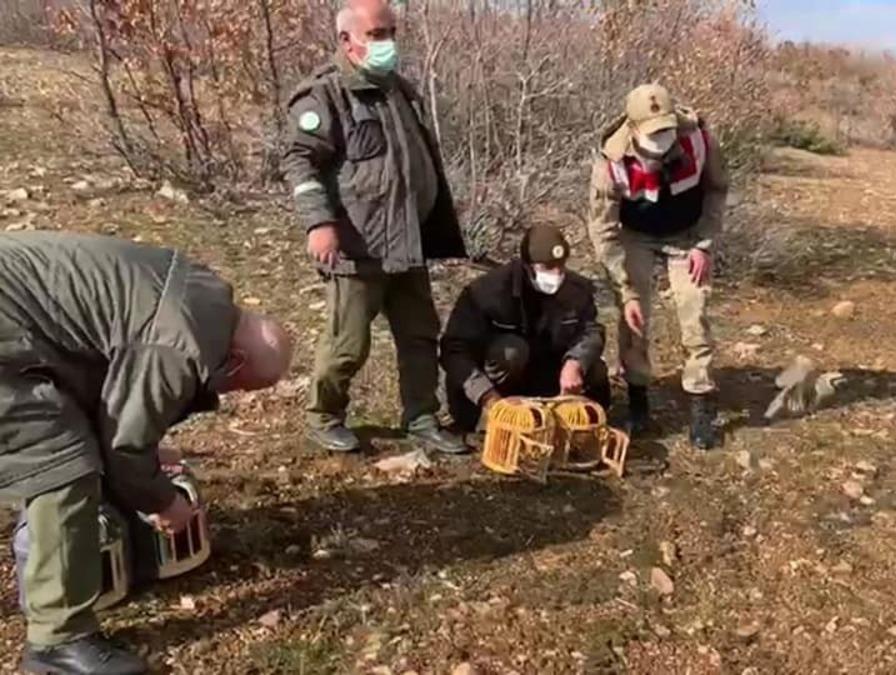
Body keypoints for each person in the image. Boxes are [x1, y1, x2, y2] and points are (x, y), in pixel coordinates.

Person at [0, 231, 292, 675]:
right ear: (235, 359)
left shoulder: (201, 293)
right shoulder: (182, 341)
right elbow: (124, 443)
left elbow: (109, 382)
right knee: (59, 464)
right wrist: (164, 501)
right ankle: (57, 644)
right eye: (238, 385)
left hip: (19, 318)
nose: (229, 392)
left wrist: (145, 450)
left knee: (68, 439)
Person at [282, 0, 468, 454]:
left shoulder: (398, 90)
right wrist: (319, 223)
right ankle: (324, 416)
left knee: (420, 333)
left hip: (407, 239)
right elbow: (298, 160)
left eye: (391, 32)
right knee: (348, 343)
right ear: (347, 41)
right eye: (376, 35)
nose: (388, 43)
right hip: (358, 243)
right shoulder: (324, 96)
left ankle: (421, 416)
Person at [587, 83, 730, 449]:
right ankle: (637, 402)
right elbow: (603, 230)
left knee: (693, 311)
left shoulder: (699, 139)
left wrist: (704, 245)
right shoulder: (611, 162)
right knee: (633, 317)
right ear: (632, 130)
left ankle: (700, 402)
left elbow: (717, 190)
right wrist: (625, 290)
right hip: (636, 235)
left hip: (688, 235)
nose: (662, 140)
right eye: (652, 133)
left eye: (666, 129)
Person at [440, 225, 610, 432]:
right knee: (512, 351)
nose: (556, 274)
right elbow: (454, 350)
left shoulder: (576, 289)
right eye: (547, 268)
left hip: (545, 375)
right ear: (527, 266)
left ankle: (567, 417)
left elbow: (591, 331)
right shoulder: (486, 292)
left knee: (595, 369)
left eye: (561, 266)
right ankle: (494, 418)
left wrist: (575, 363)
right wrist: (488, 397)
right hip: (494, 385)